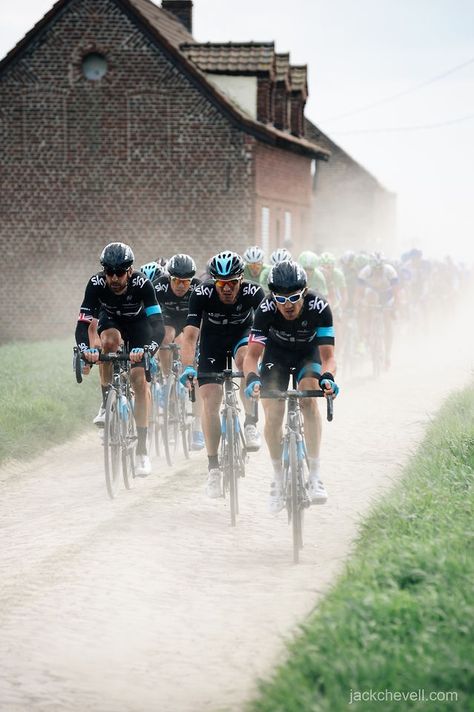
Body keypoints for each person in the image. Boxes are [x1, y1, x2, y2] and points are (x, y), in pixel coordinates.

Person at [243, 260, 338, 513]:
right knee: (273, 414)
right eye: (281, 299)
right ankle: (278, 478)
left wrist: (328, 377)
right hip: (277, 358)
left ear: (304, 292)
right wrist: (252, 379)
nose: (288, 305)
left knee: (308, 400)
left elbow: (328, 356)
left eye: (294, 298)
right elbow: (252, 356)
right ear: (272, 295)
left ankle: (315, 475)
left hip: (308, 356)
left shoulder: (319, 307)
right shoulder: (265, 309)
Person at [179, 251, 265, 498]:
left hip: (242, 336)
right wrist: (187, 367)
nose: (227, 289)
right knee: (209, 398)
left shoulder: (253, 292)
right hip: (212, 342)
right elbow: (190, 336)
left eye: (232, 283)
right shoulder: (202, 293)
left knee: (243, 360)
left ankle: (250, 423)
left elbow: (266, 332)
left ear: (241, 279)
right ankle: (213, 468)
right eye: (221, 283)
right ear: (213, 281)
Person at [75, 242, 165, 477]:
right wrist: (86, 350)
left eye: (119, 272)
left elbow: (157, 325)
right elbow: (83, 325)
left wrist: (147, 350)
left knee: (139, 380)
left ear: (130, 270)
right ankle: (107, 404)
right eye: (109, 272)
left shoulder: (142, 283)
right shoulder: (96, 284)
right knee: (107, 345)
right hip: (111, 320)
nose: (114, 278)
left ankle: (142, 452)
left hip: (138, 325)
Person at [153, 253, 204, 450]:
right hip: (167, 319)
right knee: (165, 335)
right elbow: (148, 316)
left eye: (185, 281)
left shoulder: (198, 288)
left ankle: (197, 426)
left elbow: (207, 319)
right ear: (169, 278)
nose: (181, 285)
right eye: (176, 280)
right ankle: (167, 377)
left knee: (185, 343)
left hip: (189, 323)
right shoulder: (159, 286)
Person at [357, 251, 399, 369]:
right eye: (375, 268)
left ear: (383, 266)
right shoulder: (365, 272)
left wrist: (395, 307)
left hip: (387, 295)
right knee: (368, 302)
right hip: (373, 294)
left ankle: (387, 355)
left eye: (380, 268)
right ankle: (367, 333)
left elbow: (397, 293)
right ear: (371, 267)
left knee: (387, 321)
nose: (377, 270)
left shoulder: (390, 271)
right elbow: (359, 294)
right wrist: (361, 305)